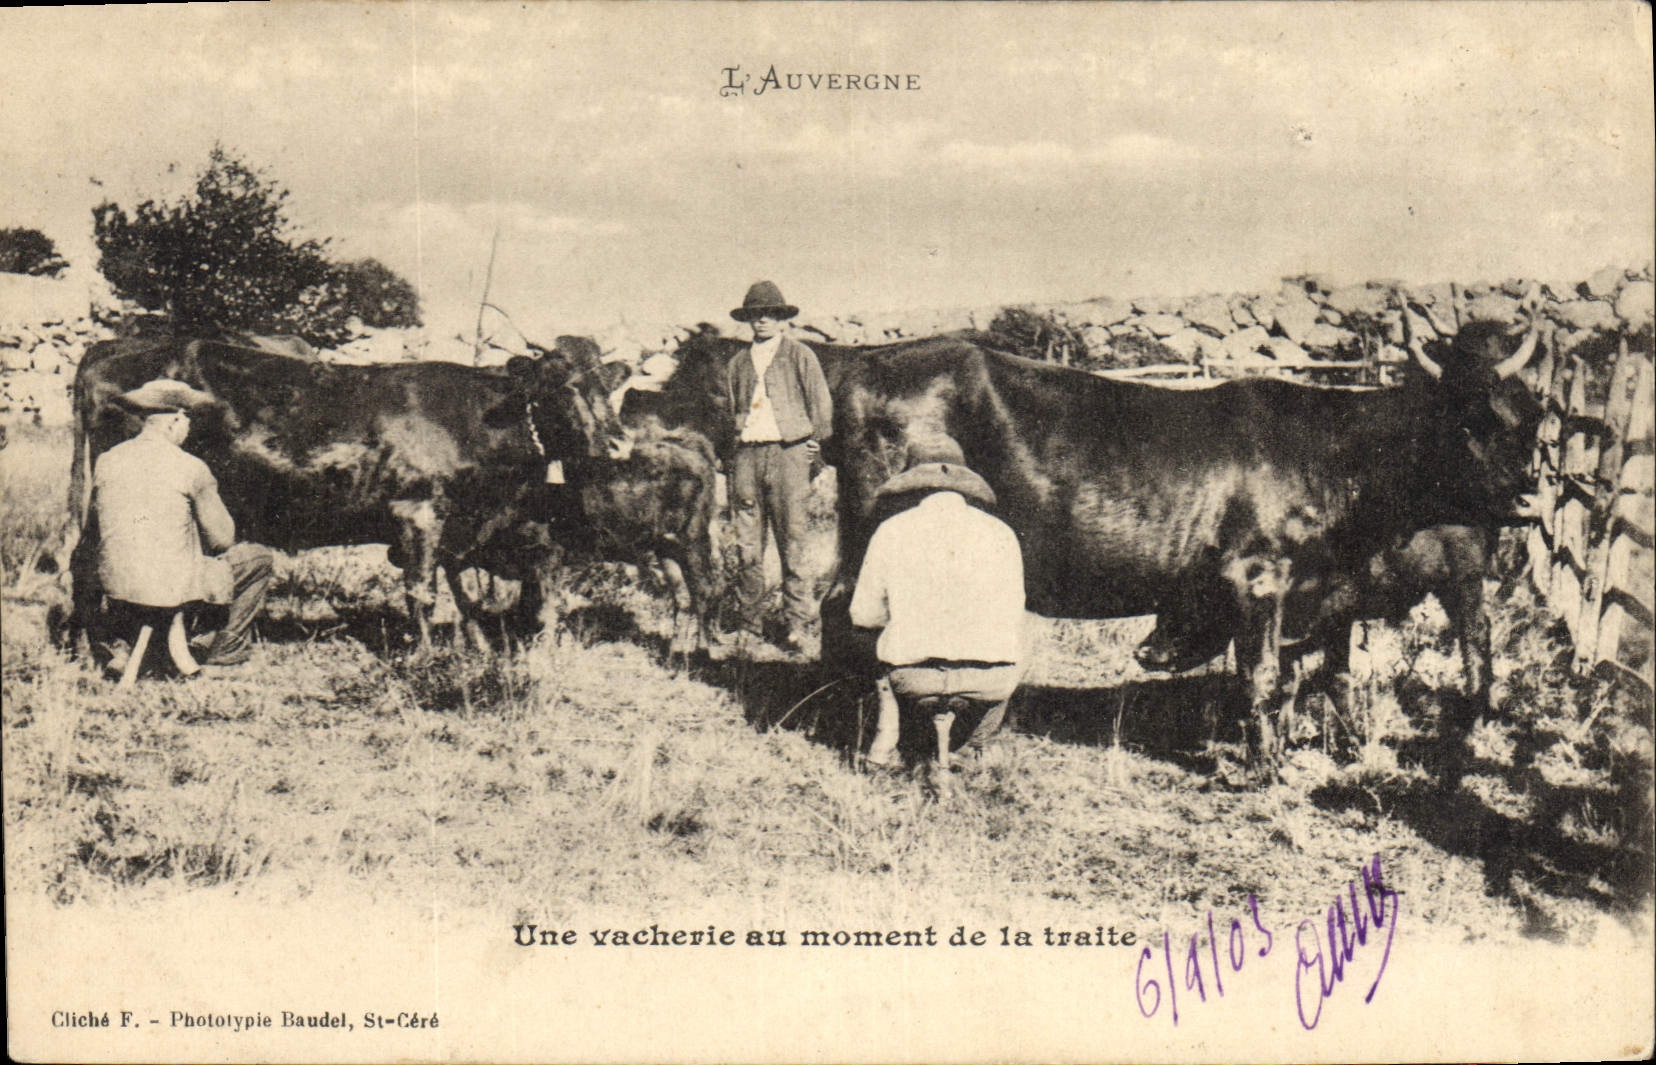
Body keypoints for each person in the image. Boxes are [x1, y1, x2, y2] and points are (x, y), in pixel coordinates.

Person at [850, 437, 1028, 767]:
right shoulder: (1001, 532)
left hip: (913, 681)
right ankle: (972, 746)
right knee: (1020, 644)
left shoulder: (890, 530)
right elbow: (1013, 613)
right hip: (987, 683)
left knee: (870, 636)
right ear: (964, 484)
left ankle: (887, 738)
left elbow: (864, 615)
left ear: (914, 485)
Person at [91, 379, 272, 672]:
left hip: (118, 584)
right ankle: (225, 651)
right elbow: (223, 539)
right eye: (187, 419)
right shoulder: (191, 467)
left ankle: (125, 640)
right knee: (258, 558)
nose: (189, 428)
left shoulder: (106, 460)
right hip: (169, 586)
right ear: (175, 420)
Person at [725, 281, 833, 651]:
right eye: (756, 315)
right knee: (747, 544)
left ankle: (798, 625)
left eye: (770, 314)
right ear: (748, 320)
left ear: (782, 318)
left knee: (794, 542)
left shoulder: (799, 355)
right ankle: (749, 624)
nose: (763, 321)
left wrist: (814, 447)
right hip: (746, 457)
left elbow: (820, 406)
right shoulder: (738, 363)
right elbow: (731, 410)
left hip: (789, 455)